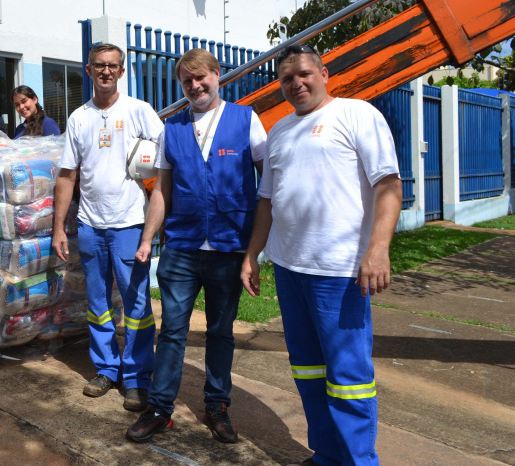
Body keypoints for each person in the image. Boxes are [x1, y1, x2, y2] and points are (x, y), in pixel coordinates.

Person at [240, 44, 401, 466]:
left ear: (325, 73)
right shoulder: (278, 131)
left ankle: (359, 460)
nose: (297, 83)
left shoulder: (356, 114)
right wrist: (252, 255)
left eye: (305, 74)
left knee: (349, 378)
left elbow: (388, 186)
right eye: (287, 78)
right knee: (309, 371)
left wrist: (378, 250)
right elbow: (267, 202)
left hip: (340, 272)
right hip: (291, 269)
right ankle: (327, 455)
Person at [126, 49, 267, 444]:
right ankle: (159, 408)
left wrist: (256, 250)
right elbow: (162, 192)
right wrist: (147, 239)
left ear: (217, 75)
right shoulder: (171, 129)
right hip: (183, 248)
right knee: (172, 329)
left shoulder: (246, 120)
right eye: (187, 81)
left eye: (201, 77)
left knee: (221, 331)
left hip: (228, 248)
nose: (195, 86)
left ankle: (217, 405)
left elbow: (269, 185)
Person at [52, 42, 163, 412]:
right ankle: (106, 369)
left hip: (130, 223)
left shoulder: (139, 111)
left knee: (136, 305)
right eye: (99, 65)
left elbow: (167, 159)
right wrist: (58, 228)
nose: (106, 72)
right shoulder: (78, 118)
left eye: (112, 66)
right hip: (89, 225)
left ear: (121, 70)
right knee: (97, 304)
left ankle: (136, 377)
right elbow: (68, 176)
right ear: (89, 70)